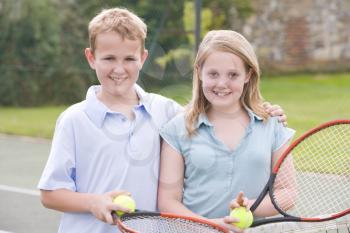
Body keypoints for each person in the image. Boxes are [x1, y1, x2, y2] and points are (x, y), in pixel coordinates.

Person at [38, 8, 288, 233]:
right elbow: (50, 194)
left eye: (129, 59)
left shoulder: (166, 111)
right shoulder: (74, 120)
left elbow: (214, 115)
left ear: (143, 58)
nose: (119, 68)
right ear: (91, 58)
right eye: (109, 58)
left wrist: (267, 112)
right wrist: (93, 201)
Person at [157, 30, 295, 232]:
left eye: (233, 75)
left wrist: (249, 205)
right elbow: (168, 202)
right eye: (213, 74)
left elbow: (288, 192)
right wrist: (212, 225)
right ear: (199, 72)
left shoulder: (272, 124)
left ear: (248, 74)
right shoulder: (177, 129)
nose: (222, 84)